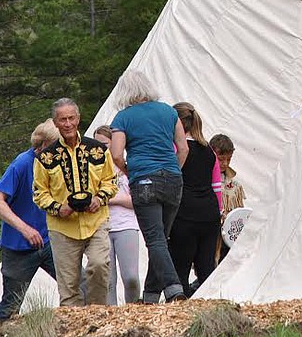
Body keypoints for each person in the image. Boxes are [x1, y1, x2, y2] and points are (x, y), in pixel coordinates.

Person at [109, 70, 189, 304]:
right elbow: (183, 149)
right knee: (162, 237)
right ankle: (151, 294)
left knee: (155, 240)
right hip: (173, 180)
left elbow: (115, 154)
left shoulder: (122, 118)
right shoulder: (169, 111)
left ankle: (174, 289)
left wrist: (129, 172)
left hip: (144, 180)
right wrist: (174, 171)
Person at [33, 98, 119, 308]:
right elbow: (39, 192)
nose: (68, 124)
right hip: (62, 227)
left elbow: (111, 180)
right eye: (63, 119)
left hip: (96, 221)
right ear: (55, 122)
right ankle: (73, 329)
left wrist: (99, 199)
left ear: (78, 119)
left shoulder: (98, 150)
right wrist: (59, 208)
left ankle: (97, 312)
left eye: (71, 118)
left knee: (99, 264)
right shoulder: (46, 157)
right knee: (68, 285)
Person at [0, 119, 60, 326]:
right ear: (43, 145)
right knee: (11, 305)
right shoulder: (22, 163)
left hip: (50, 241)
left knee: (76, 286)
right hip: (19, 247)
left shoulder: (57, 163)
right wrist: (25, 229)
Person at [169, 102, 223, 296]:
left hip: (185, 214)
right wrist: (219, 212)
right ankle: (210, 305)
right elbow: (217, 186)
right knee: (206, 267)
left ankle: (181, 309)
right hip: (209, 214)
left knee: (180, 268)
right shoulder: (209, 150)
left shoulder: (175, 149)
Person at [94, 124, 141, 305]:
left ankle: (133, 308)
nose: (100, 149)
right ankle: (111, 315)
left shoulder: (127, 168)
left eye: (104, 144)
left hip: (126, 225)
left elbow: (136, 201)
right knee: (107, 280)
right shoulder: (92, 170)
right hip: (101, 226)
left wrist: (110, 199)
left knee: (130, 277)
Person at [209, 133, 246, 261]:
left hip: (227, 232)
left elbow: (239, 211)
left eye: (228, 159)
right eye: (221, 159)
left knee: (224, 256)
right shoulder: (203, 179)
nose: (225, 163)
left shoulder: (234, 185)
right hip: (210, 228)